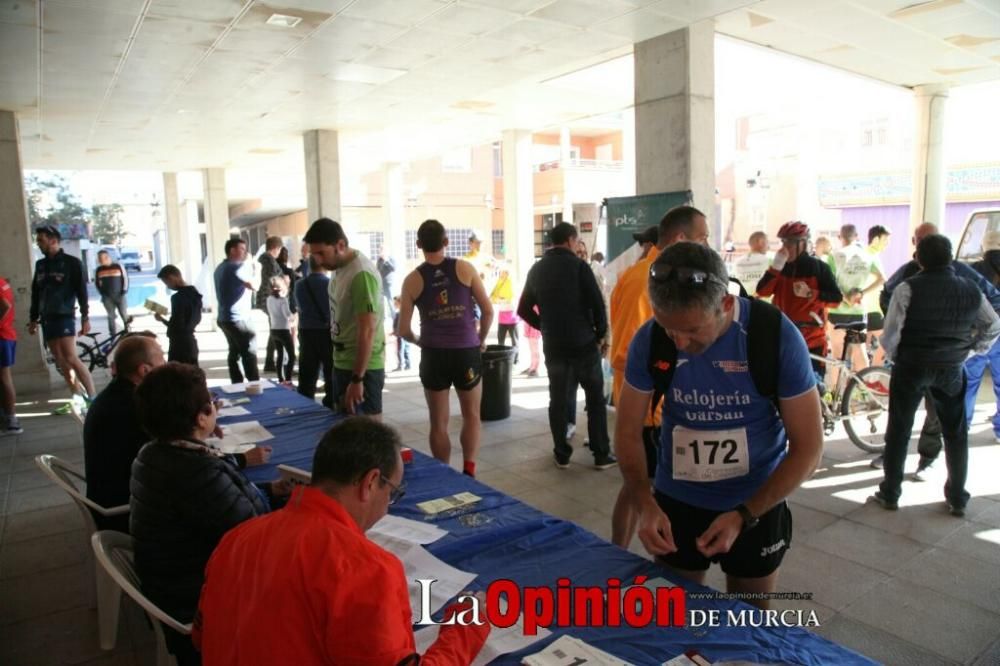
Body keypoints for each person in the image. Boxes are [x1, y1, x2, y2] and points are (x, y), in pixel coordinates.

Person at [616, 242, 823, 607]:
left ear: (726, 304)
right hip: (676, 500)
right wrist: (644, 503)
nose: (679, 342)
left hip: (757, 499)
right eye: (669, 329)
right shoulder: (649, 340)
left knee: (750, 619)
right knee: (674, 614)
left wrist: (746, 514)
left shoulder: (773, 336)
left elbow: (808, 448)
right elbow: (628, 432)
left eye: (693, 330)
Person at [195, 418, 491, 665]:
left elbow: (200, 635)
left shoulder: (237, 538)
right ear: (371, 482)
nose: (388, 505)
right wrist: (467, 626)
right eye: (393, 493)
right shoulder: (366, 569)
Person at [130, 362, 285, 665]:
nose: (215, 408)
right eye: (211, 404)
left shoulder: (154, 452)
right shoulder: (193, 471)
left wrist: (269, 490)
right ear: (202, 418)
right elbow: (253, 538)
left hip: (173, 579)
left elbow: (221, 505)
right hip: (196, 599)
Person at [872, 234, 1000, 518]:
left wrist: (898, 357)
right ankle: (957, 497)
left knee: (899, 430)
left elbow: (891, 334)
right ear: (950, 257)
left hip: (911, 366)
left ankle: (891, 492)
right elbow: (992, 325)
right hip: (951, 369)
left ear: (918, 258)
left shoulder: (907, 289)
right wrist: (968, 352)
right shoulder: (971, 290)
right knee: (955, 433)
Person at [607, 205, 710, 546]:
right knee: (640, 486)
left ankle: (618, 551)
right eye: (703, 238)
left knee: (641, 485)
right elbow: (625, 349)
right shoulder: (645, 279)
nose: (707, 246)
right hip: (650, 407)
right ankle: (618, 552)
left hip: (659, 402)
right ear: (680, 239)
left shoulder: (660, 275)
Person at [518, 222, 616, 470]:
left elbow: (523, 309)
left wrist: (544, 326)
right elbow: (597, 304)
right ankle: (601, 454)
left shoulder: (537, 270)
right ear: (571, 240)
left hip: (555, 345)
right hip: (583, 343)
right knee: (594, 399)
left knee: (558, 399)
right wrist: (601, 334)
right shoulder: (579, 267)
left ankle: (562, 453)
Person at [398, 219, 493, 474]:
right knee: (472, 414)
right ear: (446, 242)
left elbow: (403, 329)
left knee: (438, 422)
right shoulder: (465, 269)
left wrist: (419, 341)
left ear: (418, 244)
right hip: (466, 351)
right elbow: (487, 311)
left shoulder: (411, 280)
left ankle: (444, 473)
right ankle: (469, 469)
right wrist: (481, 339)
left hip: (433, 354)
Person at [83, 336, 167, 532]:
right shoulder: (132, 407)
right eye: (162, 358)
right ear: (145, 370)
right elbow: (173, 458)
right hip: (126, 512)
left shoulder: (119, 394)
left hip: (115, 494)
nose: (166, 363)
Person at [303, 218, 386, 417]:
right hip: (342, 361)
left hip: (361, 368)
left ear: (340, 245)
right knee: (346, 431)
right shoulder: (340, 268)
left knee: (368, 435)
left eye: (322, 253)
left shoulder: (360, 274)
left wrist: (358, 379)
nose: (319, 261)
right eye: (315, 255)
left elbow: (367, 330)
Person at [756, 221, 842, 378]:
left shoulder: (819, 268)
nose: (784, 247)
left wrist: (811, 294)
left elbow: (837, 299)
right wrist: (775, 268)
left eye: (789, 243)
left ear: (802, 244)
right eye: (783, 242)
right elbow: (762, 291)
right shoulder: (780, 267)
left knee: (814, 387)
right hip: (783, 337)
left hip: (812, 341)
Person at [28, 225, 96, 398]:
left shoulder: (72, 263)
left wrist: (85, 317)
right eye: (38, 241)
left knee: (71, 357)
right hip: (47, 318)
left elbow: (82, 292)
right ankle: (77, 396)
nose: (39, 244)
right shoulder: (41, 265)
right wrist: (33, 318)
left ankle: (93, 396)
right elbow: (36, 293)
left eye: (41, 241)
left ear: (53, 241)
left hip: (65, 316)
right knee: (60, 360)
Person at [827, 224, 882, 377]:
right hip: (858, 312)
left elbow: (830, 282)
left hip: (838, 312)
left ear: (840, 237)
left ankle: (833, 395)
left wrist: (845, 298)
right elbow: (881, 278)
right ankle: (862, 391)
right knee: (860, 350)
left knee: (837, 355)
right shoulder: (867, 255)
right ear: (856, 236)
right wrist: (861, 293)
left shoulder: (834, 256)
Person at [965, 230, 1000, 444]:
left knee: (969, 382)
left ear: (984, 247)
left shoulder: (973, 270)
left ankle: (962, 425)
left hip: (978, 333)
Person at [213, 237, 260, 384]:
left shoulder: (221, 267)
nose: (245, 252)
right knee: (249, 351)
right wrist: (257, 269)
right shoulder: (235, 267)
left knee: (234, 352)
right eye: (242, 249)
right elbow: (255, 285)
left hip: (224, 317)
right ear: (232, 250)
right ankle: (254, 383)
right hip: (238, 318)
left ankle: (237, 383)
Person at [294, 256, 333, 408]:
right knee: (330, 372)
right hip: (326, 332)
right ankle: (330, 404)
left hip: (306, 332)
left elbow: (299, 307)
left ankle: (305, 405)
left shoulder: (299, 285)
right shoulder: (329, 284)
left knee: (307, 374)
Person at [155, 264, 202, 365]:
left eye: (166, 283)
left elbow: (177, 325)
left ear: (172, 278)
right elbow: (195, 319)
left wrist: (162, 320)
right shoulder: (195, 294)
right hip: (191, 343)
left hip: (179, 346)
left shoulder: (177, 298)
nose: (167, 286)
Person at [865, 224, 891, 363]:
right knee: (887, 342)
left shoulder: (870, 254)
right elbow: (883, 279)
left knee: (862, 348)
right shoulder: (870, 255)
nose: (887, 244)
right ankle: (873, 376)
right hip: (872, 308)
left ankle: (864, 378)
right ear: (875, 239)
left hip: (867, 308)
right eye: (885, 240)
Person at [258, 237, 284, 373]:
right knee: (276, 331)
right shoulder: (269, 260)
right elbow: (275, 280)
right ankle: (270, 362)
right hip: (271, 300)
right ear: (276, 248)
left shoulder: (262, 259)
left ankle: (271, 361)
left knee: (274, 331)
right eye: (279, 250)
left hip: (266, 299)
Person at [0, 275, 22, 435]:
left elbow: (5, 306)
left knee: (4, 378)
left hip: (2, 336)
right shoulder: (2, 282)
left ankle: (11, 420)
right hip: (7, 335)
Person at [266, 276, 295, 383]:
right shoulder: (283, 300)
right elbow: (287, 315)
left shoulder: (269, 299)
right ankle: (288, 379)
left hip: (274, 329)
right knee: (291, 356)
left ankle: (280, 379)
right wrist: (294, 316)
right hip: (283, 330)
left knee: (280, 355)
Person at [94, 249, 130, 336]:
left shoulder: (118, 266)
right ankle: (112, 335)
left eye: (101, 258)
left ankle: (128, 332)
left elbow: (125, 279)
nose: (99, 260)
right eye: (98, 258)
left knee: (124, 315)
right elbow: (97, 283)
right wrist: (102, 293)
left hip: (120, 295)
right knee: (110, 317)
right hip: (107, 297)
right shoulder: (99, 270)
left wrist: (124, 291)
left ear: (107, 257)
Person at [490, 263, 519, 361]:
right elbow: (492, 296)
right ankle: (502, 358)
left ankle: (515, 359)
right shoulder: (499, 282)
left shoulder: (511, 282)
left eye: (502, 272)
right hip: (502, 315)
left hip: (512, 316)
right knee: (500, 339)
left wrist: (499, 299)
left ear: (507, 273)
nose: (500, 274)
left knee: (514, 339)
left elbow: (510, 298)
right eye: (500, 272)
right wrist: (499, 299)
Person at [376, 245, 397, 318]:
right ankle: (383, 317)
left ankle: (394, 317)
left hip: (389, 284)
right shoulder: (379, 260)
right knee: (381, 301)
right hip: (381, 283)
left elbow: (394, 268)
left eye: (382, 250)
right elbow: (378, 270)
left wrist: (386, 260)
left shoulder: (390, 258)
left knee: (390, 301)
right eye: (380, 250)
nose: (380, 252)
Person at [391, 296, 410, 371]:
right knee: (405, 349)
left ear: (400, 303)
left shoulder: (400, 313)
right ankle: (408, 364)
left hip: (401, 334)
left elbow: (399, 324)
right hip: (404, 334)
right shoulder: (404, 312)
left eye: (395, 303)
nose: (394, 304)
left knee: (400, 349)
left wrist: (396, 331)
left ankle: (401, 365)